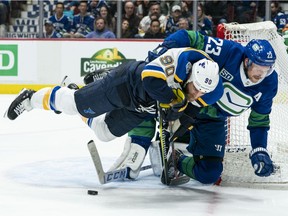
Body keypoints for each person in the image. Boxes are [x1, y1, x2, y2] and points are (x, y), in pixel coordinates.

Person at [6, 48, 223, 179]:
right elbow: (149, 77)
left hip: (141, 108)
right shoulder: (179, 61)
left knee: (104, 132)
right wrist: (174, 100)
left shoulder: (202, 92)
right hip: (125, 85)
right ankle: (31, 98)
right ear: (190, 75)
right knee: (74, 105)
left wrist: (171, 128)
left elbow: (182, 114)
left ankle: (74, 88)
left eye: (202, 92)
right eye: (195, 88)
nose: (196, 94)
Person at [145, 29, 277, 185]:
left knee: (209, 173)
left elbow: (259, 120)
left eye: (266, 69)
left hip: (212, 121)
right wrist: (165, 49)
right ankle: (139, 141)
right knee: (148, 99)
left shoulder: (269, 84)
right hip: (189, 101)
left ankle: (177, 160)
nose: (261, 74)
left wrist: (259, 149)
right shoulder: (229, 52)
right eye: (258, 67)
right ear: (247, 61)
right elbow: (190, 36)